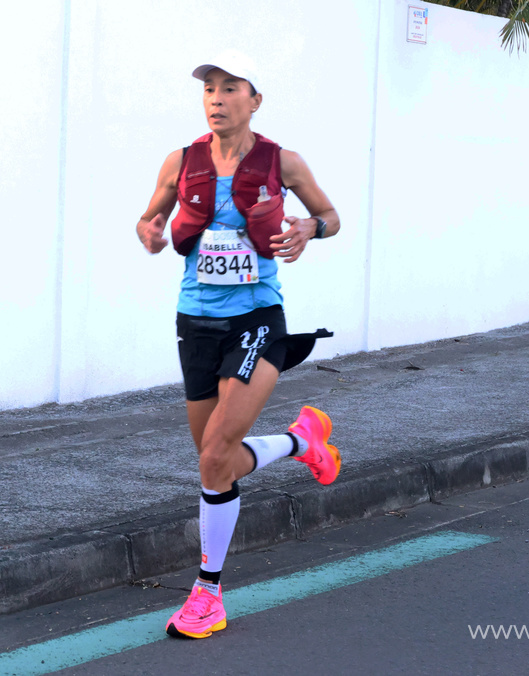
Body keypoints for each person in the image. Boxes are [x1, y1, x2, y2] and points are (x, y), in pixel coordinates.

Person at [135, 50, 342, 640]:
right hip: (195, 320)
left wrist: (308, 228)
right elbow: (149, 223)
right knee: (214, 458)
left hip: (257, 317)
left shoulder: (284, 161)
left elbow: (330, 217)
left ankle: (207, 592)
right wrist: (150, 232)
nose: (217, 99)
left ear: (255, 100)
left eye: (230, 88)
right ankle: (302, 440)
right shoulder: (181, 161)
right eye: (209, 90)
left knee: (216, 453)